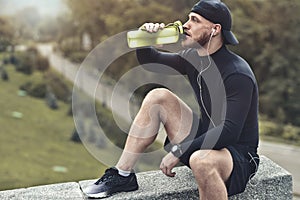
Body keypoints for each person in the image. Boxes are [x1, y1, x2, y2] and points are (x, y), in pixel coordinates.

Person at [83, 0, 260, 199]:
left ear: (215, 29)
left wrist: (178, 150)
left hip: (238, 155)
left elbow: (229, 131)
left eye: (195, 20)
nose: (186, 25)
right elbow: (152, 61)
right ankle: (123, 174)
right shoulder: (194, 59)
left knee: (201, 161)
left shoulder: (237, 74)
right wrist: (146, 39)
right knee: (158, 97)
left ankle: (199, 160)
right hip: (206, 138)